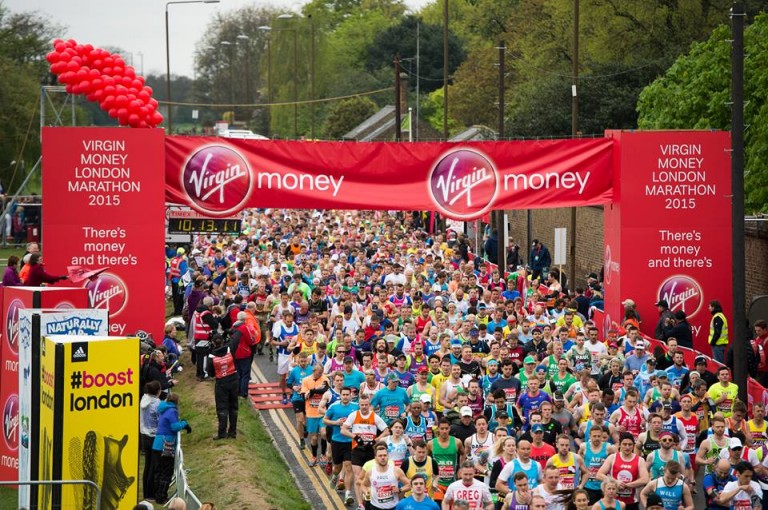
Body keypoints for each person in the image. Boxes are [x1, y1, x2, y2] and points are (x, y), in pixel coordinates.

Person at [152, 393, 192, 504]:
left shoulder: (162, 409)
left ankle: (156, 494)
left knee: (158, 471)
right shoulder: (172, 410)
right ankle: (161, 497)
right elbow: (174, 427)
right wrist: (184, 423)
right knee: (166, 472)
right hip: (166, 445)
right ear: (176, 402)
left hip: (157, 443)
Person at [360, 442, 411, 510]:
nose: (383, 457)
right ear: (376, 458)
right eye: (380, 456)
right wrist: (366, 492)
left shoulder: (396, 470)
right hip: (375, 507)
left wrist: (400, 490)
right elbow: (363, 485)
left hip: (393, 507)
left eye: (385, 455)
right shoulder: (370, 472)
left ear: (388, 456)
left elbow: (409, 485)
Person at [206, 334, 239, 439]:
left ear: (213, 343)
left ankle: (222, 433)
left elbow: (210, 373)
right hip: (233, 381)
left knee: (222, 408)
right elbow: (237, 337)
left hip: (221, 384)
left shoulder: (211, 356)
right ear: (223, 341)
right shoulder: (230, 349)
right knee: (233, 407)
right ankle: (232, 432)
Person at [139, 380, 162, 500]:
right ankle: (151, 493)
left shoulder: (144, 399)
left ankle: (146, 493)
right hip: (154, 436)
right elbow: (160, 420)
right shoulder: (157, 404)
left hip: (144, 435)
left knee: (147, 465)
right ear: (158, 391)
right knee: (154, 466)